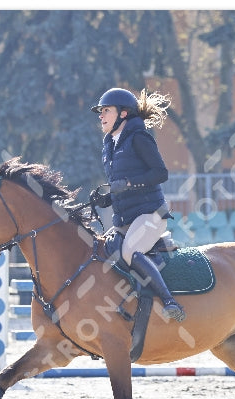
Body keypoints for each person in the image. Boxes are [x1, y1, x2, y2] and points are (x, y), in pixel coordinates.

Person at [91, 87, 186, 322]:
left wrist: (128, 183)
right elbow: (121, 185)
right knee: (102, 252)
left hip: (151, 215)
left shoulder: (139, 137)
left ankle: (170, 302)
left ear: (123, 114)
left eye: (106, 111)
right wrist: (109, 197)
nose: (101, 116)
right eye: (100, 112)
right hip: (125, 219)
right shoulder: (110, 145)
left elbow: (160, 173)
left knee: (131, 251)